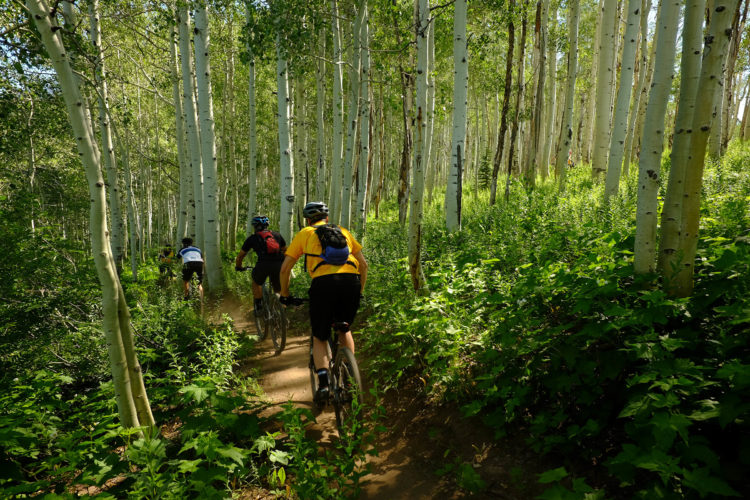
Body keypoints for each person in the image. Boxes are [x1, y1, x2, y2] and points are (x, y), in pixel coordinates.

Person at [279, 201, 368, 404]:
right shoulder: (343, 231)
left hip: (323, 284)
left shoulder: (305, 234)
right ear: (326, 218)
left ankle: (324, 383)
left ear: (308, 220)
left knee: (320, 335)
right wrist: (359, 291)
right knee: (344, 328)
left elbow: (285, 269)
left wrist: (285, 294)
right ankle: (350, 378)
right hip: (351, 282)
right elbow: (363, 264)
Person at [235, 215, 287, 314]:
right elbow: (286, 250)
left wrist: (239, 266)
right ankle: (283, 312)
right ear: (267, 225)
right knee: (278, 290)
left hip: (263, 265)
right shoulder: (277, 235)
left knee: (256, 282)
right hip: (279, 265)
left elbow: (240, 256)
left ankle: (258, 307)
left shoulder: (252, 238)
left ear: (254, 226)